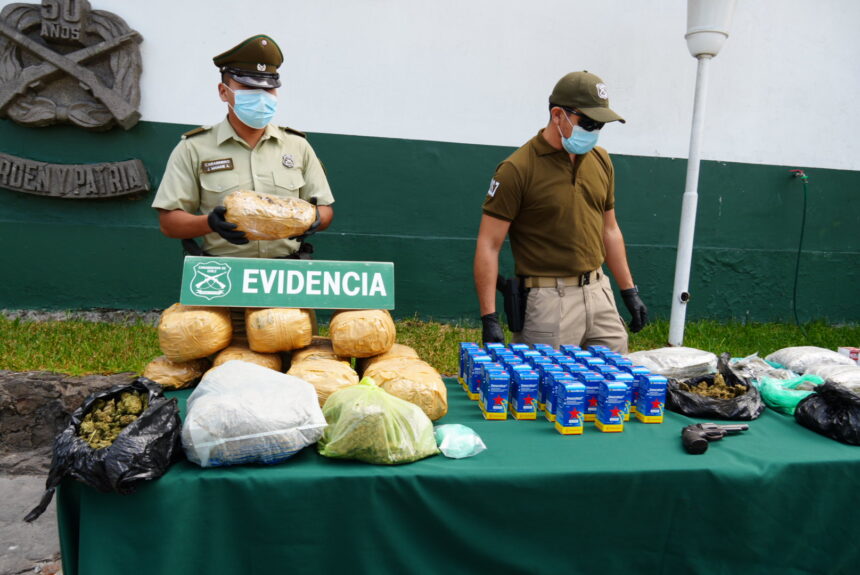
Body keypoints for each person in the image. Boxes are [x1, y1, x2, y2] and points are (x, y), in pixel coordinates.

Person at [473, 70, 648, 353]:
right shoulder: (517, 169)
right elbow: (488, 244)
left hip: (599, 292)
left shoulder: (601, 160)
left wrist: (629, 291)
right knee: (545, 380)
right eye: (588, 123)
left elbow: (610, 229)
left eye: (600, 125)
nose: (594, 131)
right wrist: (489, 318)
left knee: (615, 376)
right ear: (558, 115)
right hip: (548, 301)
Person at [152, 34, 334, 258]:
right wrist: (210, 223)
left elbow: (325, 209)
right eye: (248, 87)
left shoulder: (298, 146)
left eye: (268, 89)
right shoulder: (194, 148)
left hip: (286, 272)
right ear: (223, 91)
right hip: (224, 272)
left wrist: (315, 219)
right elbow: (169, 223)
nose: (260, 96)